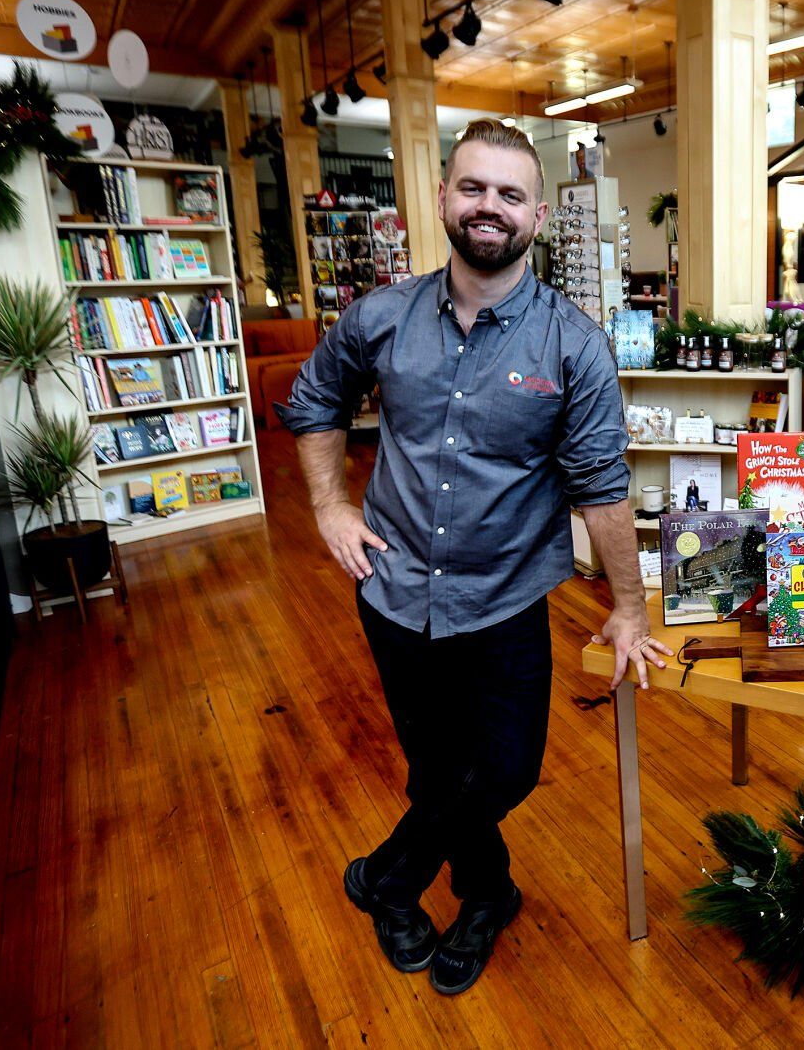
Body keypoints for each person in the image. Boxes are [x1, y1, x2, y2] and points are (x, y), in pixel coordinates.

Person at [279, 120, 671, 996]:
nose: (487, 206)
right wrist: (331, 507)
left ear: (537, 214)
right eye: (471, 188)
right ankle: (486, 893)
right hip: (392, 590)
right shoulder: (380, 317)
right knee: (436, 769)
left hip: (503, 601)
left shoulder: (573, 345)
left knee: (504, 768)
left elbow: (602, 484)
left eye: (507, 194)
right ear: (444, 198)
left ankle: (385, 878)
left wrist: (629, 607)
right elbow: (314, 401)